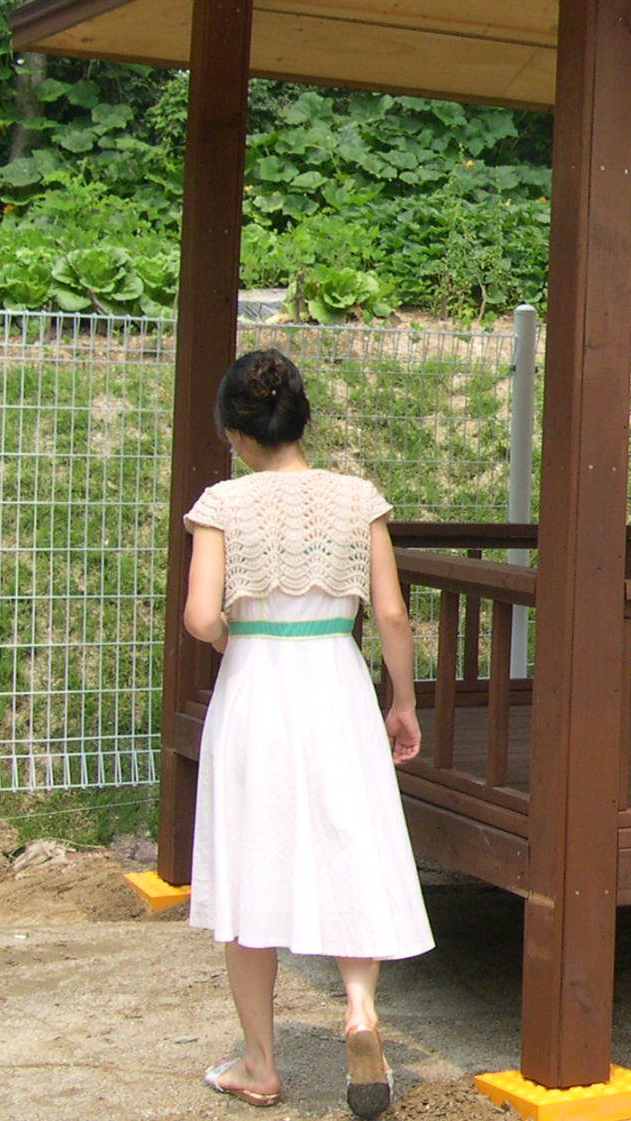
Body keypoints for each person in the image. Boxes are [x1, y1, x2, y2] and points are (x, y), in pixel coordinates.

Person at [181, 348, 432, 1116]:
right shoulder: (358, 499)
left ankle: (259, 1064)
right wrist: (402, 701)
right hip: (336, 682)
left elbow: (199, 616)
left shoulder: (222, 504)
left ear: (234, 431)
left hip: (256, 687)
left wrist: (231, 637)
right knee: (348, 841)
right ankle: (359, 1008)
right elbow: (391, 614)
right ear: (300, 420)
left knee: (249, 858)